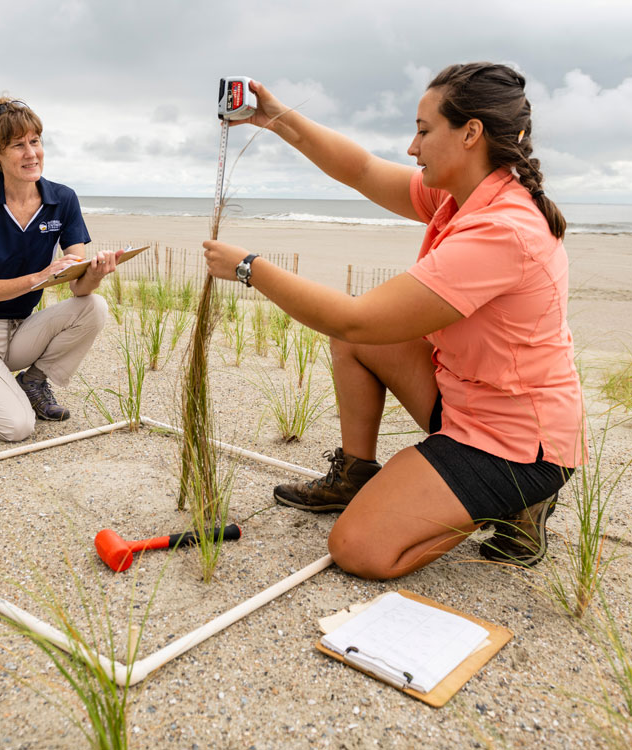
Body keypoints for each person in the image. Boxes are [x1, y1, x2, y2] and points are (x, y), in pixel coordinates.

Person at [203, 64, 586, 579]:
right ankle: (355, 476)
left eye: (424, 131)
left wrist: (249, 268)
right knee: (354, 341)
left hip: (514, 443)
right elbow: (361, 170)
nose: (412, 147)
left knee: (358, 548)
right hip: (465, 399)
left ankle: (511, 502)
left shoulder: (503, 230)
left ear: (470, 133)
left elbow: (359, 321)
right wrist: (276, 118)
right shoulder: (464, 194)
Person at [0, 96, 120, 442]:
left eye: (35, 141)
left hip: (19, 329)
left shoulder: (63, 199)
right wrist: (41, 277)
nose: (31, 153)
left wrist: (94, 273)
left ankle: (32, 382)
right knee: (17, 427)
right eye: (17, 145)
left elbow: (78, 288)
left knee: (94, 306)